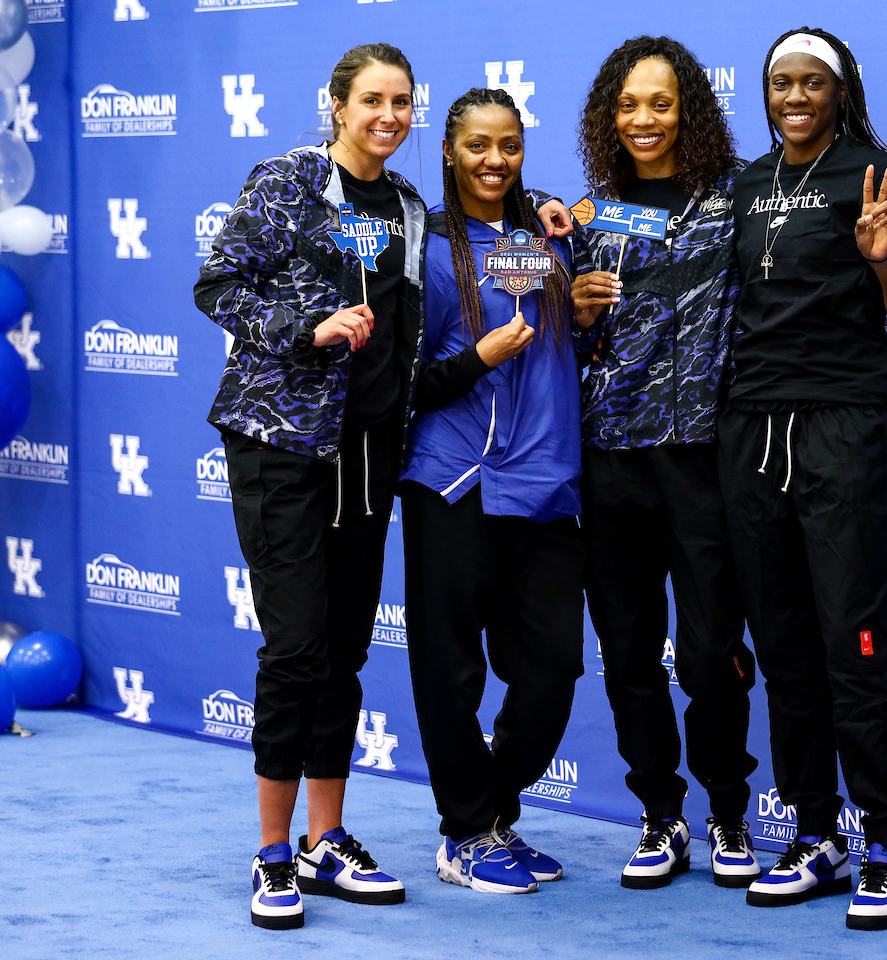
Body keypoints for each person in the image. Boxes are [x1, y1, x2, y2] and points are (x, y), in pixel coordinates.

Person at [195, 45, 570, 929]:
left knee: (345, 654)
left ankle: (327, 841)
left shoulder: (405, 207)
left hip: (369, 453)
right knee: (295, 652)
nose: (387, 116)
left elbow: (497, 214)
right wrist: (307, 326)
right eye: (372, 100)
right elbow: (218, 285)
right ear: (337, 104)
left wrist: (550, 211)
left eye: (400, 102)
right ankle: (274, 853)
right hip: (283, 447)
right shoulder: (289, 178)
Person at [718, 28, 887, 929]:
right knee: (785, 642)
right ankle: (815, 831)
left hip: (845, 423)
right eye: (779, 82)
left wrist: (881, 257)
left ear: (841, 92)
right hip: (751, 425)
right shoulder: (744, 184)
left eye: (812, 83)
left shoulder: (875, 176)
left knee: (855, 635)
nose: (794, 96)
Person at [571, 36, 760, 890]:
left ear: (691, 109)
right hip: (611, 455)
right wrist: (573, 308)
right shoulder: (589, 213)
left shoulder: (736, 199)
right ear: (609, 117)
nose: (643, 119)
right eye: (627, 105)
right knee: (629, 649)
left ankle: (727, 813)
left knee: (712, 647)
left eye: (660, 102)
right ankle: (659, 815)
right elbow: (559, 332)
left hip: (705, 459)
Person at [398, 86, 584, 896]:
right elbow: (401, 384)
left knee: (553, 668)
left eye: (508, 144)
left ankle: (489, 814)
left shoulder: (549, 236)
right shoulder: (426, 249)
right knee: (451, 671)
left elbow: (569, 344)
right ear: (448, 150)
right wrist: (479, 356)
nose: (493, 160)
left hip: (543, 483)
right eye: (477, 144)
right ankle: (467, 833)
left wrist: (577, 305)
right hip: (453, 480)